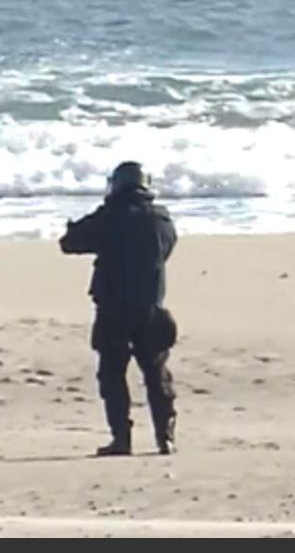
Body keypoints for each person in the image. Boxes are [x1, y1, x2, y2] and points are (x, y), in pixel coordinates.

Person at [59, 161, 179, 456]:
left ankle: (121, 439)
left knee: (112, 375)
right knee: (156, 373)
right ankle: (166, 438)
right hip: (151, 308)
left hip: (113, 310)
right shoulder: (161, 220)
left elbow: (70, 243)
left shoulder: (111, 217)